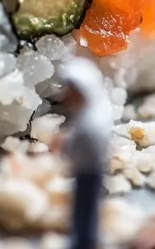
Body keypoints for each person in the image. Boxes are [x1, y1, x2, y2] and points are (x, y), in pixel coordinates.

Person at [55, 58, 113, 249]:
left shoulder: (90, 121)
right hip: (90, 167)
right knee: (87, 208)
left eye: (72, 90)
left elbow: (83, 144)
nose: (67, 95)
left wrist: (63, 148)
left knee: (84, 208)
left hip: (87, 171)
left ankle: (84, 241)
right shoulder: (98, 111)